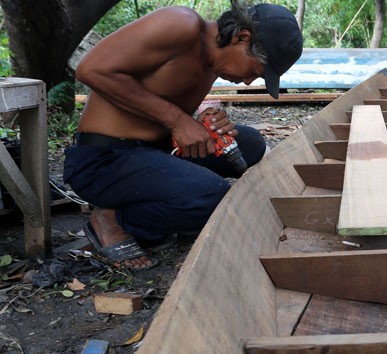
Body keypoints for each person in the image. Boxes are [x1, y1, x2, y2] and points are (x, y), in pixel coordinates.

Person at [63, 2, 303, 270]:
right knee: (212, 198)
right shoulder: (180, 24)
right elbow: (91, 70)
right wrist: (177, 120)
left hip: (154, 150)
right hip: (104, 161)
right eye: (254, 71)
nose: (248, 82)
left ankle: (168, 210)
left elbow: (160, 100)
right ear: (241, 37)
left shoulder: (214, 62)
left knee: (250, 144)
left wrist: (201, 123)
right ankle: (114, 219)